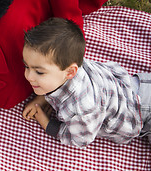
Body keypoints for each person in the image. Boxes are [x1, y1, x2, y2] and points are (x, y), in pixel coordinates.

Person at [21, 17, 151, 148]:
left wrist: (47, 123)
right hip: (139, 85)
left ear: (70, 72)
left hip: (142, 113)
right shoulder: (67, 62)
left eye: (39, 72)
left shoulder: (82, 109)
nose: (28, 76)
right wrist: (42, 98)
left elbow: (80, 139)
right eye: (26, 66)